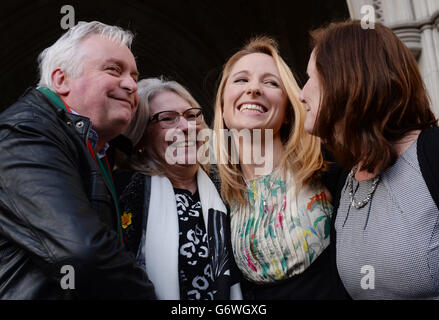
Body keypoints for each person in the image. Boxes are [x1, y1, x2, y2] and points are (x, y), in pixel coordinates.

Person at [0, 21, 156, 299]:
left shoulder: (90, 145)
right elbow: (83, 253)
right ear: (61, 80)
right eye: (113, 69)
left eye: (134, 75)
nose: (133, 85)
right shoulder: (25, 133)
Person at [300, 20, 439, 299]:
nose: (302, 94)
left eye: (310, 78)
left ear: (347, 78)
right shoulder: (343, 178)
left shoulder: (433, 154)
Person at [212, 36, 337, 299]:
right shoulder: (216, 195)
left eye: (270, 82)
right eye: (241, 80)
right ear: (223, 107)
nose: (254, 89)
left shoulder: (328, 167)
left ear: (289, 110)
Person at [114, 77, 242, 300]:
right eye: (167, 119)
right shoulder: (121, 193)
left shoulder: (231, 189)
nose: (186, 127)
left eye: (192, 116)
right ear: (141, 138)